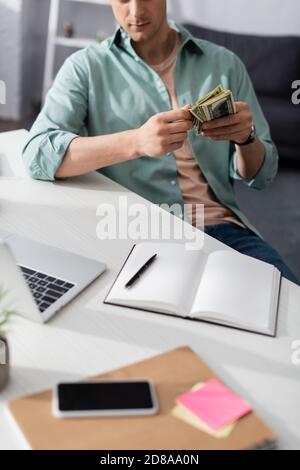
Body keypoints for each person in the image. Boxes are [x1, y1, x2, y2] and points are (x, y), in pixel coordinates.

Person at [22, 0, 299, 285]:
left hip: (223, 231)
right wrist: (135, 142)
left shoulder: (225, 64)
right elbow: (38, 152)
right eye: (123, 0)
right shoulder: (85, 67)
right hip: (132, 232)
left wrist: (246, 138)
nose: (136, 12)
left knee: (291, 312)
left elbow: (263, 175)